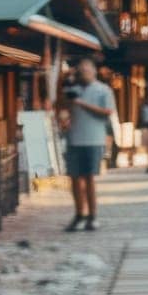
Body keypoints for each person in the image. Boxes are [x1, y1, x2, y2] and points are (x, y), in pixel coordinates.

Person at [56, 57, 117, 232]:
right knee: (74, 178)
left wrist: (82, 104)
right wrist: (65, 84)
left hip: (93, 139)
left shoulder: (103, 90)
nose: (83, 73)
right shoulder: (72, 89)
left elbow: (107, 112)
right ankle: (79, 214)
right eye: (80, 70)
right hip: (74, 138)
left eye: (86, 70)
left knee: (89, 178)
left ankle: (92, 215)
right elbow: (60, 105)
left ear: (93, 71)